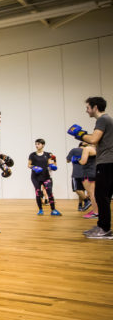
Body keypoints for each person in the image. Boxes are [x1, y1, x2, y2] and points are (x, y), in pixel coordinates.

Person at [68, 96, 113, 239]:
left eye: (88, 107)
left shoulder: (102, 120)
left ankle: (104, 229)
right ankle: (102, 226)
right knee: (103, 196)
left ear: (95, 107)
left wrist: (79, 134)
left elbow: (93, 139)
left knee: (101, 195)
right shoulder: (107, 120)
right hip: (108, 161)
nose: (86, 111)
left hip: (107, 162)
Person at [27, 139, 61, 216]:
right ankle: (40, 210)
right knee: (38, 193)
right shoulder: (32, 155)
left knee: (50, 193)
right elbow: (29, 165)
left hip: (46, 176)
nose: (36, 145)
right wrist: (34, 167)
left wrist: (52, 166)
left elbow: (49, 164)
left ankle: (53, 210)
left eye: (38, 144)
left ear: (43, 145)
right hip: (35, 177)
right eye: (36, 144)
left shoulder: (47, 154)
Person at [66, 143, 90, 211]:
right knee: (82, 190)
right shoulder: (90, 150)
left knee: (77, 189)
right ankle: (80, 205)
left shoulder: (74, 150)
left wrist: (75, 159)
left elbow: (68, 160)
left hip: (77, 173)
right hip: (87, 173)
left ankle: (87, 201)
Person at [78, 144, 98, 219]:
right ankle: (97, 211)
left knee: (91, 193)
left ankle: (96, 212)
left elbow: (83, 162)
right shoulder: (97, 148)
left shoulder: (87, 149)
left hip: (88, 172)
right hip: (96, 171)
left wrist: (78, 160)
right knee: (95, 193)